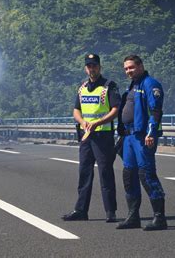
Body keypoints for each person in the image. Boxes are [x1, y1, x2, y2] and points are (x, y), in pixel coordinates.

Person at [62, 53, 121, 223]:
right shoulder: (81, 88)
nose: (92, 69)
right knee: (84, 173)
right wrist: (82, 122)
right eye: (89, 66)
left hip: (103, 135)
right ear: (85, 68)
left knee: (105, 173)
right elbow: (76, 110)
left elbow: (115, 109)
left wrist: (98, 122)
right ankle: (81, 210)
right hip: (86, 136)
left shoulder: (109, 86)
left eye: (94, 65)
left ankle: (111, 211)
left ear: (99, 67)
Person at [116, 54, 167, 231]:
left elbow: (155, 111)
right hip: (129, 136)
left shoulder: (150, 84)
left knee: (146, 174)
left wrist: (151, 132)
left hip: (142, 136)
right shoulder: (133, 85)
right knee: (129, 176)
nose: (128, 71)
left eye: (131, 67)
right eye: (126, 68)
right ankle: (133, 217)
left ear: (140, 66)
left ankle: (159, 218)